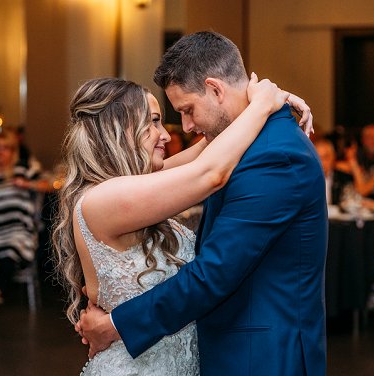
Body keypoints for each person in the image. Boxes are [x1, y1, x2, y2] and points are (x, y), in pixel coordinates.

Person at [74, 31, 327, 376]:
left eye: (187, 110)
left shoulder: (273, 154)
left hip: (261, 357)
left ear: (216, 89)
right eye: (156, 121)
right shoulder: (245, 145)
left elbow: (215, 272)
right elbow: (205, 169)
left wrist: (117, 324)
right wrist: (264, 102)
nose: (184, 127)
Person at [0, 129, 51, 315]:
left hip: (16, 230)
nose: (0, 152)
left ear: (12, 151)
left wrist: (27, 184)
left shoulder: (21, 169)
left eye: (6, 148)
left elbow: (49, 184)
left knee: (11, 250)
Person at [314, 138, 352, 205]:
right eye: (317, 157)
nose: (321, 162)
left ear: (333, 158)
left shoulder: (343, 178)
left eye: (325, 157)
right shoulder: (304, 180)